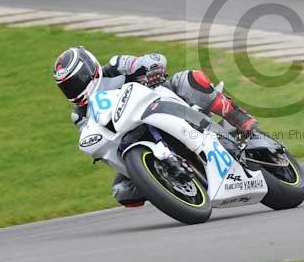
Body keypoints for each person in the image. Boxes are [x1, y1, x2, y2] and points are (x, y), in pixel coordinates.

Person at [52, 47, 258, 207]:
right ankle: (164, 182)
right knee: (122, 191)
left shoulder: (116, 66)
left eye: (76, 81)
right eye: (67, 87)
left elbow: (153, 58)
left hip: (163, 101)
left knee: (189, 79)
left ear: (89, 70)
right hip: (131, 139)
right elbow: (96, 136)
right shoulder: (79, 114)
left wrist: (153, 69)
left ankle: (239, 118)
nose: (74, 89)